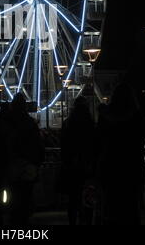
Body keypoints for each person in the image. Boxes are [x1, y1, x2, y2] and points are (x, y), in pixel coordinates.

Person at [96, 83, 145, 225]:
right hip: (131, 166)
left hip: (110, 165)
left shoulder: (106, 115)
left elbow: (99, 140)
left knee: (111, 205)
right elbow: (143, 142)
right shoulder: (137, 117)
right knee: (131, 206)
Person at [4, 93, 45, 225]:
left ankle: (13, 217)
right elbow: (38, 145)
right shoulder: (30, 123)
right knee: (25, 195)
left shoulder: (7, 122)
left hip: (11, 165)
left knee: (12, 195)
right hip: (28, 166)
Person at [61, 96, 95, 225]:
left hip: (71, 166)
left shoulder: (68, 124)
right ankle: (86, 221)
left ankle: (73, 221)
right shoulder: (90, 124)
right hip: (87, 166)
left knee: (73, 200)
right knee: (87, 198)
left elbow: (63, 145)